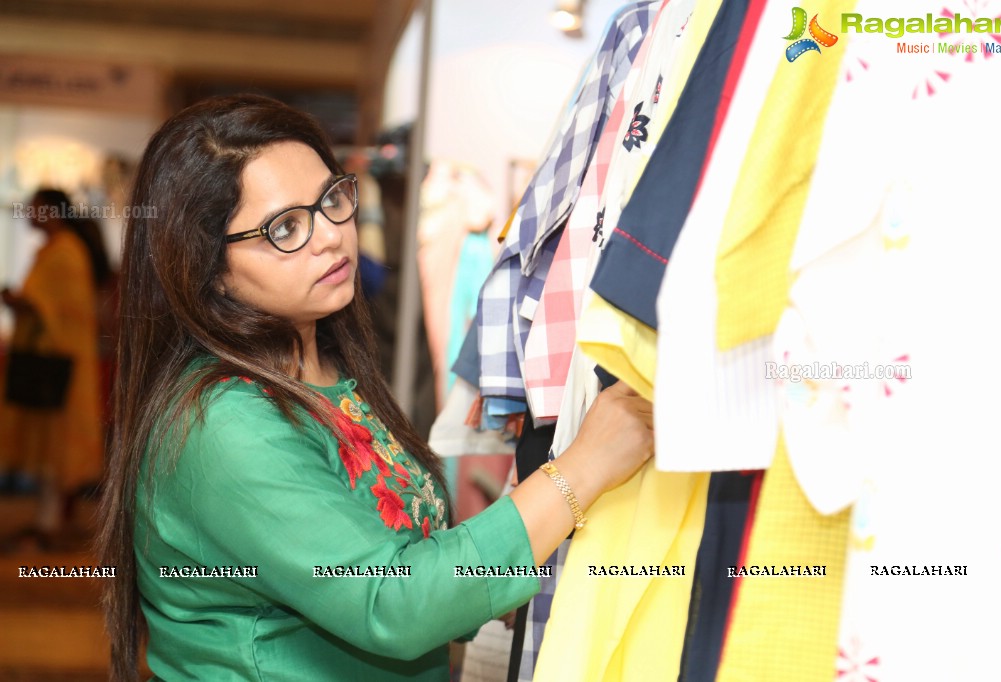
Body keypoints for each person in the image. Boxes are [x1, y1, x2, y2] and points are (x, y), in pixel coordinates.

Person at [96, 95, 654, 681]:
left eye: (332, 199)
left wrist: (508, 575)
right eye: (285, 227)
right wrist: (581, 469)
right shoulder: (222, 423)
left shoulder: (326, 369)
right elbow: (392, 601)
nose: (331, 236)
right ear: (206, 268)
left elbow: (398, 557)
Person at [0, 188, 105, 543]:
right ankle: (49, 520)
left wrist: (19, 301)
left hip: (59, 361)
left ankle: (52, 522)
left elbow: (50, 306)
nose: (29, 214)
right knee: (47, 438)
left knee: (58, 439)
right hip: (50, 357)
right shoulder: (52, 250)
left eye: (35, 208)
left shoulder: (65, 252)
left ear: (52, 212)